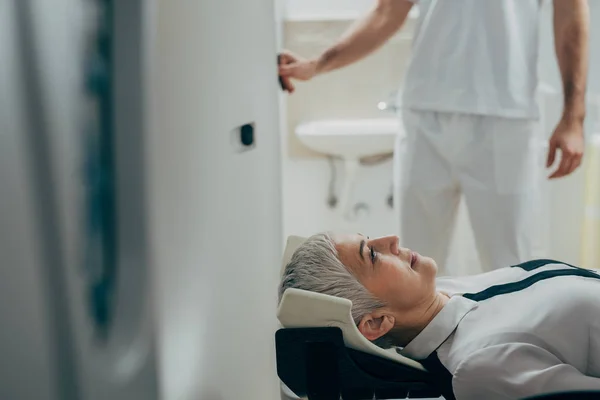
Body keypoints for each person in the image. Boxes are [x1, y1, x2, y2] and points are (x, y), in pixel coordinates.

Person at [278, 0, 590, 273]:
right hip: (423, 115)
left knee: (511, 263)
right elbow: (387, 11)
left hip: (505, 117)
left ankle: (514, 341)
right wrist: (317, 65)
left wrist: (574, 117)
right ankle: (430, 343)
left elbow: (571, 14)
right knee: (416, 259)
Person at [278, 232, 600, 400]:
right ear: (376, 322)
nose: (391, 239)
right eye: (372, 255)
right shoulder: (477, 366)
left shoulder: (448, 292)